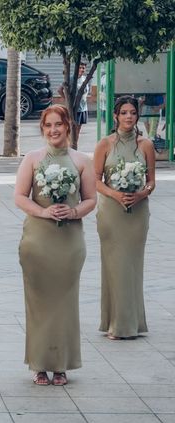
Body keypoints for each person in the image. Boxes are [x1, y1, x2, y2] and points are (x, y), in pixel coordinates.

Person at [14, 104, 97, 386]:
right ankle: (39, 364)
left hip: (69, 241)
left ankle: (61, 365)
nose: (53, 130)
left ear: (68, 126)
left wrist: (73, 212)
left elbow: (90, 200)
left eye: (58, 124)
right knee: (38, 303)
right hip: (38, 239)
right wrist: (43, 212)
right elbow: (20, 197)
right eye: (48, 125)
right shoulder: (32, 159)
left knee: (64, 303)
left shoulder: (82, 160)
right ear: (42, 129)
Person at [94, 96, 155, 340]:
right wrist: (116, 194)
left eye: (132, 113)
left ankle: (133, 322)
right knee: (114, 265)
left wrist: (142, 193)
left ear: (137, 116)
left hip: (137, 212)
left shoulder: (146, 145)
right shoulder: (104, 144)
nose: (129, 117)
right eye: (124, 113)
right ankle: (115, 323)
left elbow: (151, 182)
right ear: (116, 116)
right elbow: (96, 180)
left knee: (132, 265)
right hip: (111, 211)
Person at [59, 62, 90, 144]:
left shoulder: (85, 79)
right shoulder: (72, 78)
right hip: (74, 108)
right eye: (80, 68)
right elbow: (60, 90)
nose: (82, 70)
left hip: (83, 107)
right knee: (72, 129)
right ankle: (69, 145)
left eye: (83, 68)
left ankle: (74, 146)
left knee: (78, 129)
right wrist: (67, 100)